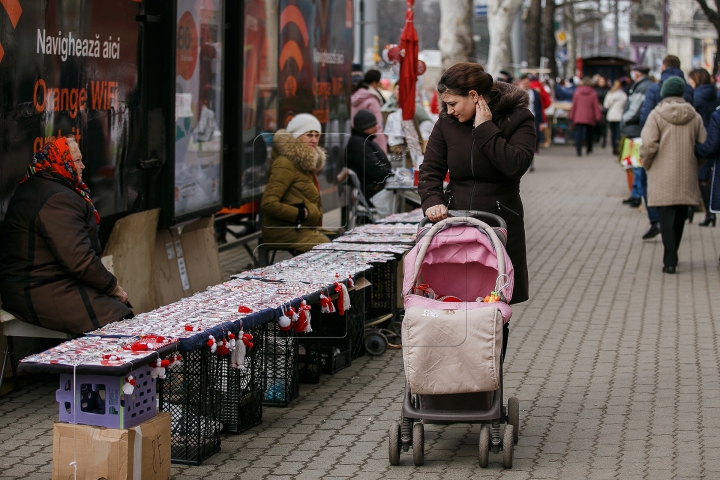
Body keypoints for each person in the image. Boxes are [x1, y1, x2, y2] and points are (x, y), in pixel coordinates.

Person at [419, 62, 535, 305]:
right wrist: (432, 200)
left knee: (494, 302)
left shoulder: (518, 117)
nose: (449, 111)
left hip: (499, 219)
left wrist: (485, 129)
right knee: (452, 297)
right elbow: (430, 169)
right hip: (454, 220)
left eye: (453, 103)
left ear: (473, 96)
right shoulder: (446, 123)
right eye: (446, 104)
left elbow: (516, 165)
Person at [0, 136, 131, 334]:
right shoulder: (56, 197)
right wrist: (114, 288)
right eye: (77, 161)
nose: (83, 166)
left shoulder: (45, 185)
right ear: (62, 161)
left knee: (117, 311)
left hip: (44, 282)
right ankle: (92, 364)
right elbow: (79, 260)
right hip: (36, 288)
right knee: (117, 318)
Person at [640, 77, 706, 274]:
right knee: (679, 215)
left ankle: (670, 258)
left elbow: (648, 144)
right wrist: (695, 164)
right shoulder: (695, 116)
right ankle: (673, 252)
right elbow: (703, 145)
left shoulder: (656, 114)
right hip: (686, 172)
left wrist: (647, 163)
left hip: (661, 172)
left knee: (665, 215)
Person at [261, 114, 331, 253]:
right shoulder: (284, 162)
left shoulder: (304, 163)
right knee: (328, 248)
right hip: (281, 230)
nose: (314, 140)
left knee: (342, 241)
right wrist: (299, 214)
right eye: (309, 135)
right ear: (296, 137)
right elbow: (268, 203)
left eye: (317, 136)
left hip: (302, 227)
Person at [346, 110, 394, 218]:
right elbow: (376, 170)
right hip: (372, 193)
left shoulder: (364, 141)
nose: (376, 128)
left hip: (375, 189)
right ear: (365, 126)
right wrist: (391, 173)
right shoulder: (359, 144)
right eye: (373, 125)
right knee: (405, 197)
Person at [688, 68, 719, 226]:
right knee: (705, 177)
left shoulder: (696, 96)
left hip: (701, 139)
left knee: (700, 178)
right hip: (712, 138)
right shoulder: (714, 94)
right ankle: (708, 213)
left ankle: (707, 213)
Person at [620, 66, 653, 211]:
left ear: (638, 73)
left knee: (637, 164)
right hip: (635, 129)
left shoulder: (642, 87)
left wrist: (624, 119)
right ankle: (635, 194)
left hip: (636, 130)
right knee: (634, 163)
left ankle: (637, 195)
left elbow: (635, 109)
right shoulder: (643, 85)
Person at [351, 69, 388, 153]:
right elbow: (377, 127)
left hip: (354, 141)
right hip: (370, 144)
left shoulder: (355, 96)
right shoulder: (372, 100)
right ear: (374, 83)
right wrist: (383, 151)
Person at [568, 77, 602, 156]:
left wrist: (571, 116)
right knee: (589, 133)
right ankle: (589, 148)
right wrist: (598, 116)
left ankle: (578, 149)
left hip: (578, 116)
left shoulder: (577, 92)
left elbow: (574, 105)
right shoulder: (593, 93)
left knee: (579, 134)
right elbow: (595, 106)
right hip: (590, 116)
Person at [519, 74, 544, 171]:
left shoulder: (535, 93)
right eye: (524, 83)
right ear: (520, 83)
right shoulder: (517, 93)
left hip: (533, 120)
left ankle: (530, 163)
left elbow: (539, 108)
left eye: (527, 83)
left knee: (531, 142)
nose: (526, 85)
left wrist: (541, 122)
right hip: (520, 121)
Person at [604, 79, 628, 155]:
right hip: (619, 116)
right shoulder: (623, 95)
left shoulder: (610, 94)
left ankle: (613, 147)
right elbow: (625, 106)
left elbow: (606, 105)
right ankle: (618, 147)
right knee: (618, 133)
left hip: (611, 116)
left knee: (612, 133)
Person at [593, 75, 610, 149]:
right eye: (600, 81)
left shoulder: (608, 89)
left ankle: (604, 141)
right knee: (596, 125)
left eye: (603, 81)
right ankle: (596, 138)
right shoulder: (595, 89)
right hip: (597, 108)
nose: (602, 83)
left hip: (605, 109)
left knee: (604, 126)